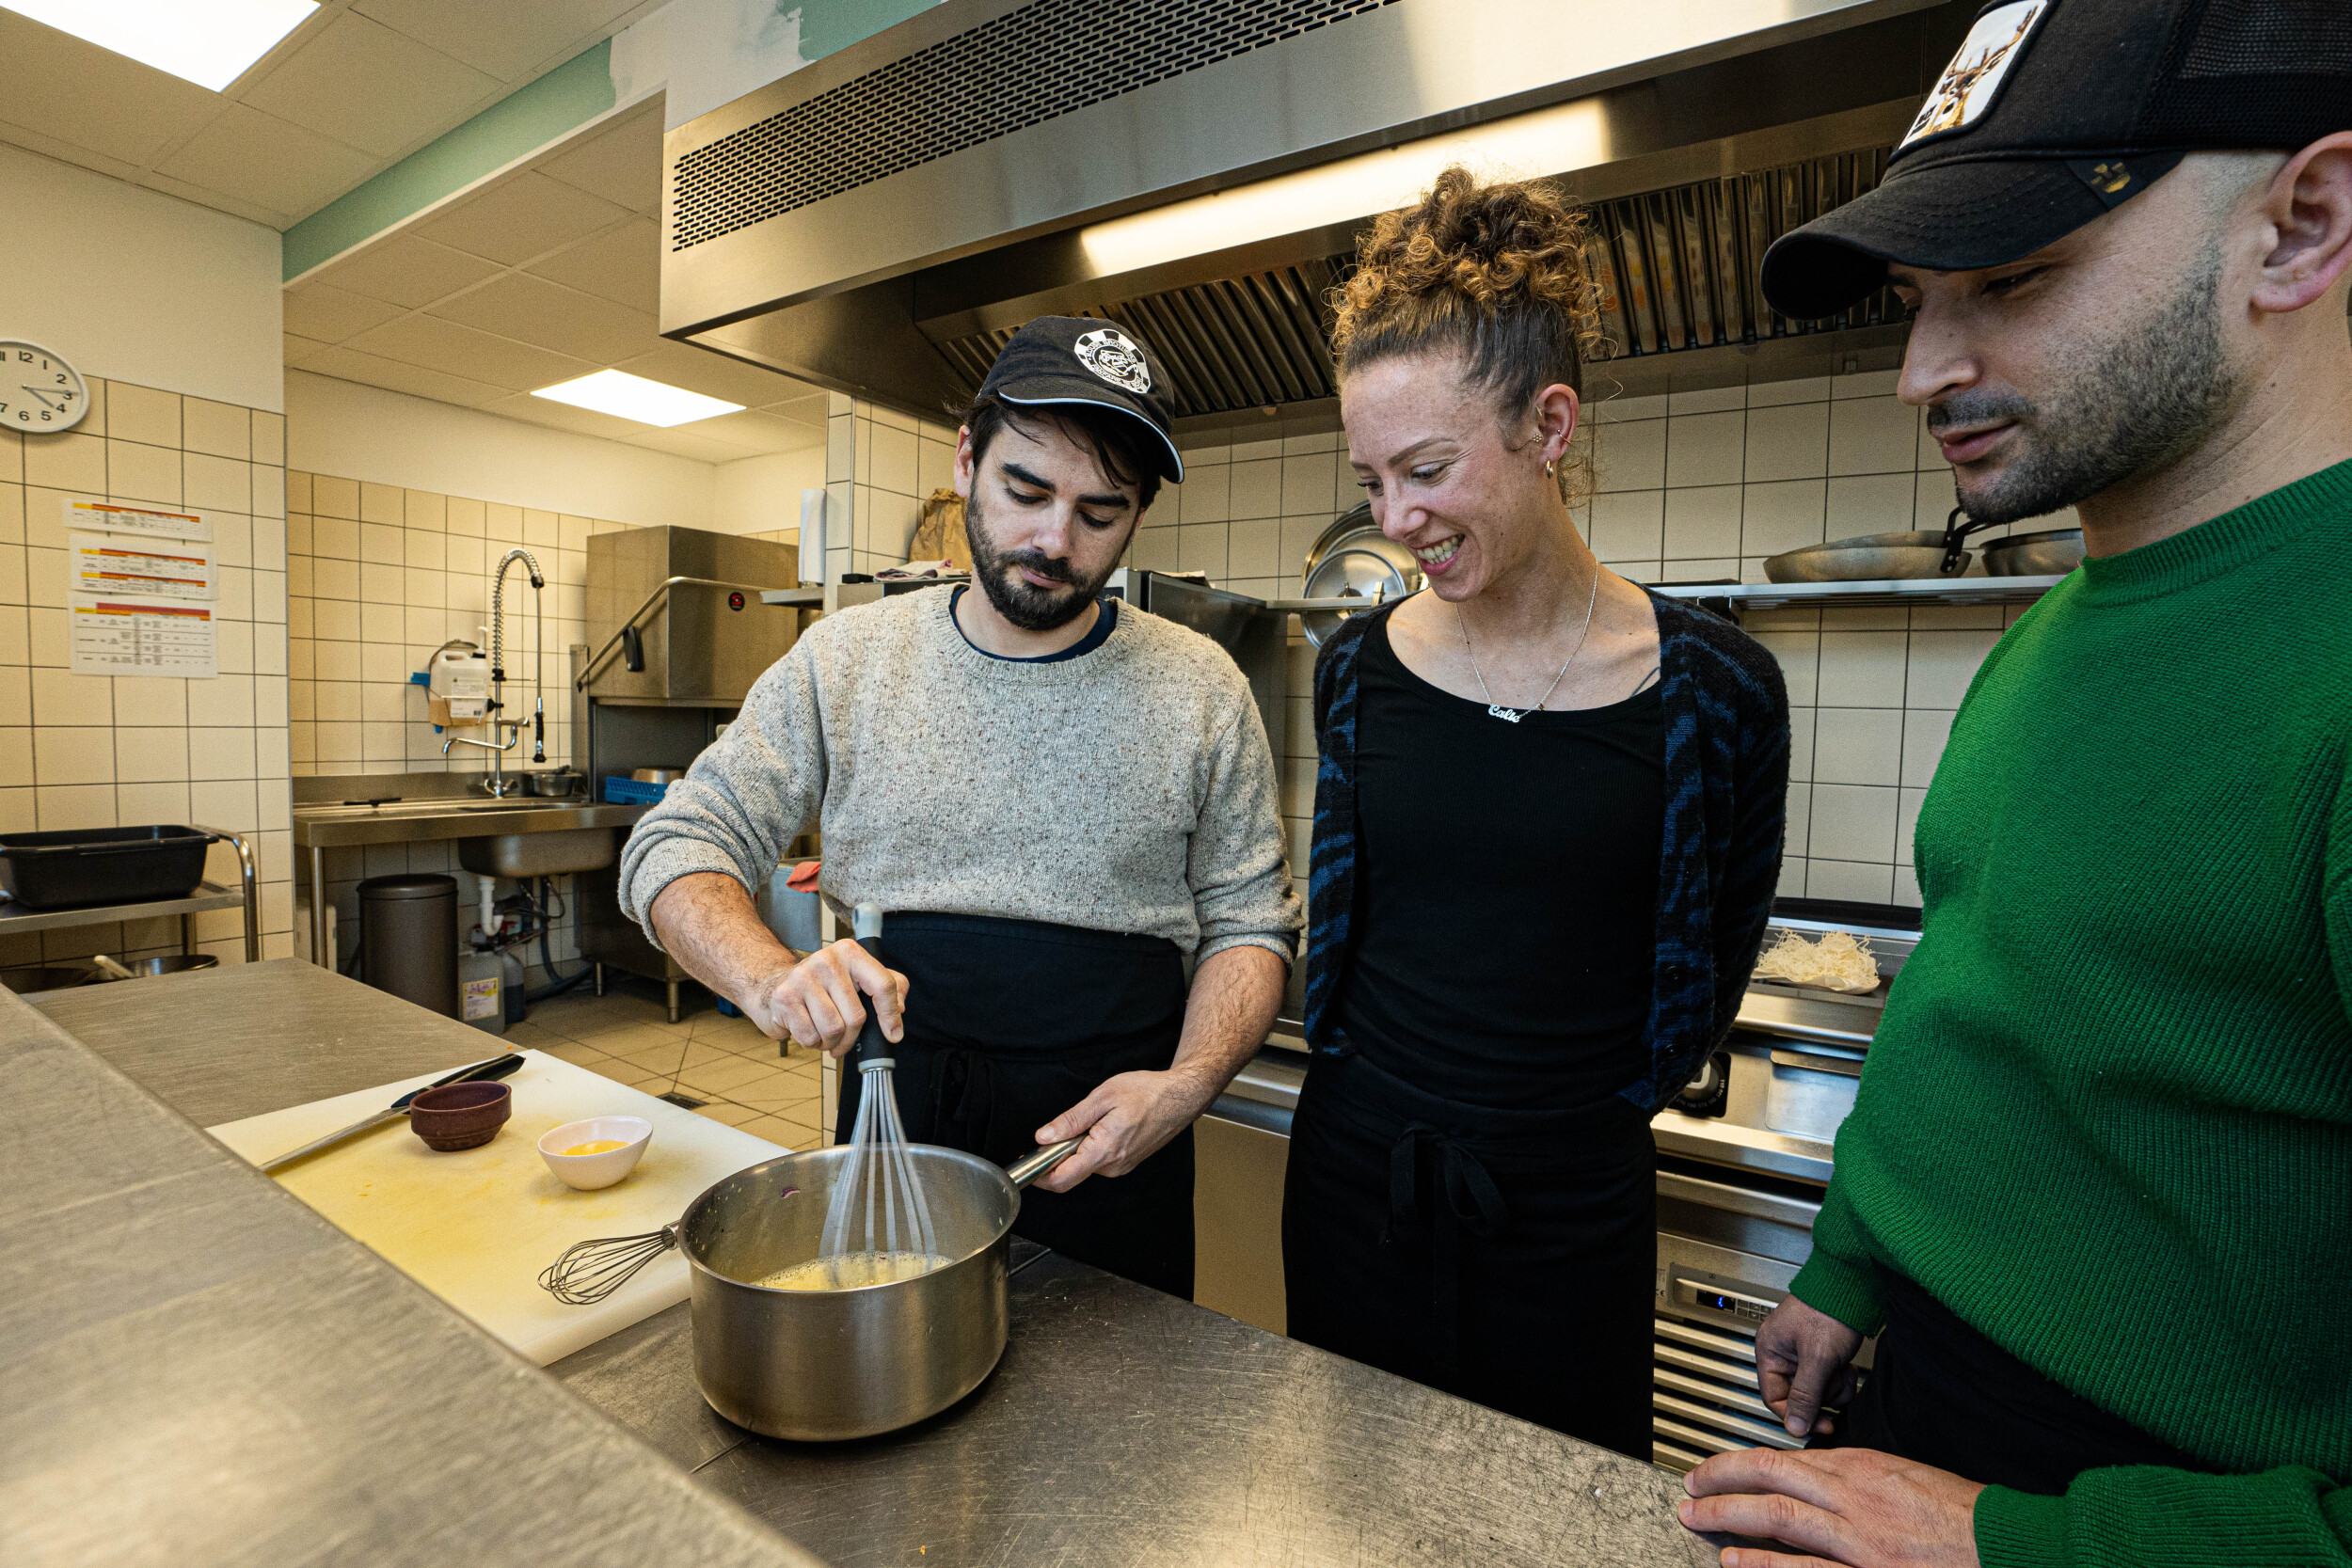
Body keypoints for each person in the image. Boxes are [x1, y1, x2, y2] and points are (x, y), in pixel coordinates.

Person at [1678, 2, 2352, 1564]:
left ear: (2300, 226)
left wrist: (2010, 1542)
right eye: (1917, 297)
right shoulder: (2052, 633)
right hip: (1922, 1403)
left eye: (2014, 275)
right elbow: (1987, 1006)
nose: (1921, 368)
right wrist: (1855, 1262)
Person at [618, 317, 1301, 1299]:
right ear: (967, 460)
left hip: (1115, 1143)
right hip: (904, 1118)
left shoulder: (1199, 687)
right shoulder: (848, 661)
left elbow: (1248, 921)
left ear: (1138, 515)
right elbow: (677, 841)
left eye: (1099, 512)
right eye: (1025, 490)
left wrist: (1188, 1083)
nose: (1052, 540)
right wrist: (768, 975)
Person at [1281, 166, 1791, 1458]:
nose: (1396, 520)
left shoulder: (1718, 689)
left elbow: (1714, 958)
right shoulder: (1354, 671)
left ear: (1550, 425)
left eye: (1430, 468)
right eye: (1373, 475)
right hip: (1356, 1185)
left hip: (1572, 1213)